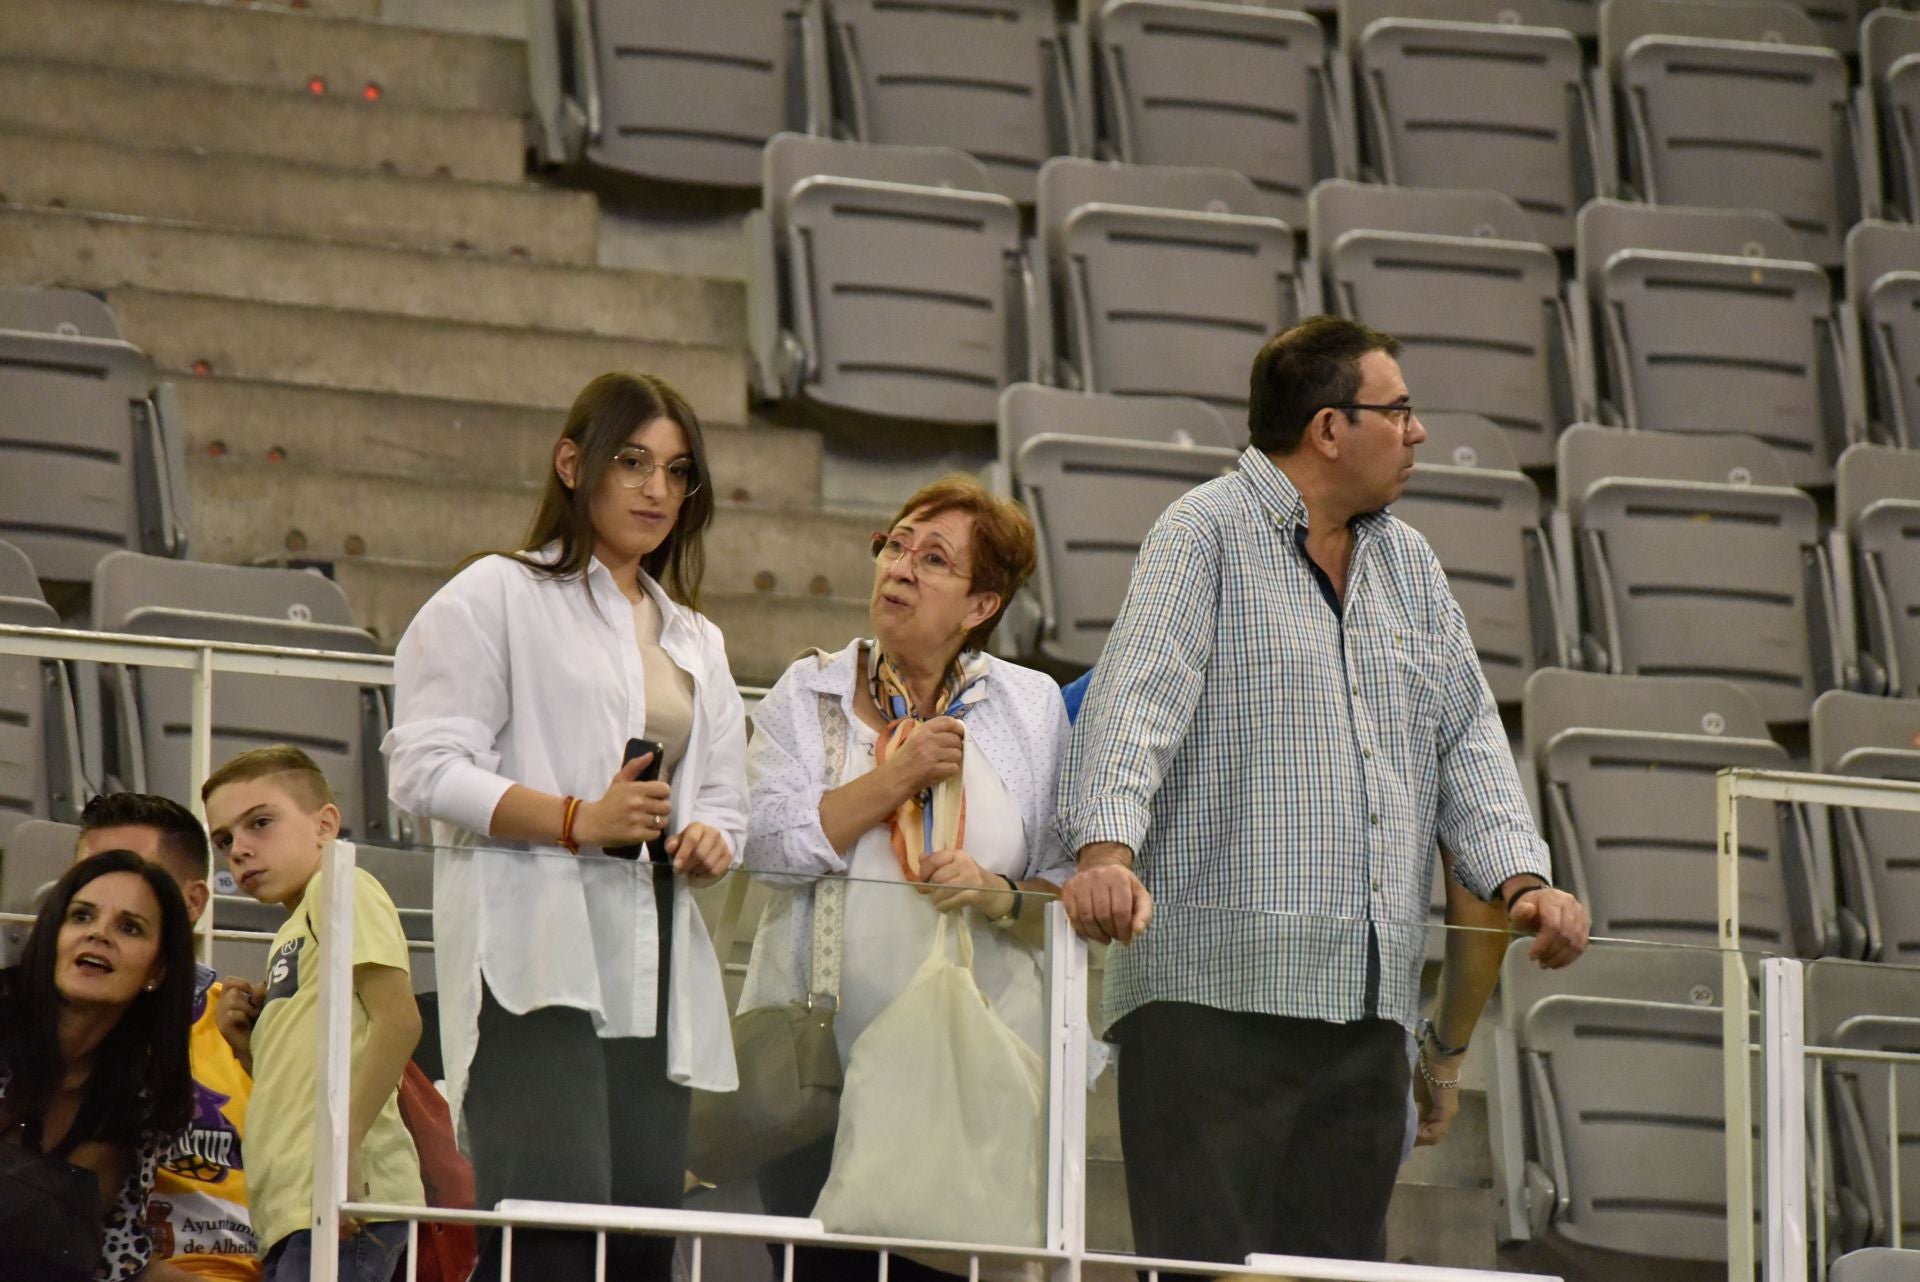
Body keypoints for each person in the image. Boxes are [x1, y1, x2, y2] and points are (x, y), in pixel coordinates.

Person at [1057, 316, 1591, 1266]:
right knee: (1201, 1271)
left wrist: (1523, 882)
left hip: (1363, 1017)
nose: (1418, 432)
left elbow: (1467, 738)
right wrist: (1105, 853)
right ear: (1329, 428)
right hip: (1212, 1000)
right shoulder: (1202, 533)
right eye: (1400, 410)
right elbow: (1132, 706)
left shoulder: (1412, 566)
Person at [383, 371, 746, 1281]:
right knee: (550, 1231)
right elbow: (423, 768)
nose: (657, 490)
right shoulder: (496, 594)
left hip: (652, 952)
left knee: (640, 1239)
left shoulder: (696, 637)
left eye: (677, 471)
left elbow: (727, 798)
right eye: (633, 462)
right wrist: (577, 819)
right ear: (573, 462)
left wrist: (709, 836)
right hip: (534, 952)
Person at [742, 475, 1072, 1281]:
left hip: (970, 1074)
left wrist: (996, 891)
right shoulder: (809, 690)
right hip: (824, 1070)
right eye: (893, 545)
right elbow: (762, 844)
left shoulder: (1030, 707)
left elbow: (1069, 880)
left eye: (933, 559)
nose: (899, 568)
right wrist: (896, 777)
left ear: (981, 605)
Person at [1057, 676, 1504, 1155]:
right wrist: (1444, 1058)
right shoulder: (1419, 663)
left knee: (1204, 1230)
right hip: (1362, 1022)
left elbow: (1044, 814)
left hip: (1191, 1015)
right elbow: (1482, 877)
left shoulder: (1147, 665)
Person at [203, 746, 424, 1282]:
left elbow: (399, 1021)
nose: (240, 850)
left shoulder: (340, 883)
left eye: (260, 823)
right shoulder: (292, 930)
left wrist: (342, 1150)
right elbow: (304, 1083)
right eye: (224, 840)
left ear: (326, 823)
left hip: (337, 1198)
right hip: (294, 1207)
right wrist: (248, 1049)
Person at [73, 793, 261, 1281]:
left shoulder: (250, 1028)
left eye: (136, 882)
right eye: (87, 885)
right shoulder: (35, 1035)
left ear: (193, 902)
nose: (108, 907)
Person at [0, 849, 196, 1282]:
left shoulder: (139, 1101)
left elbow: (111, 1259)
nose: (99, 935)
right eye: (81, 917)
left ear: (158, 970)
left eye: (129, 927)